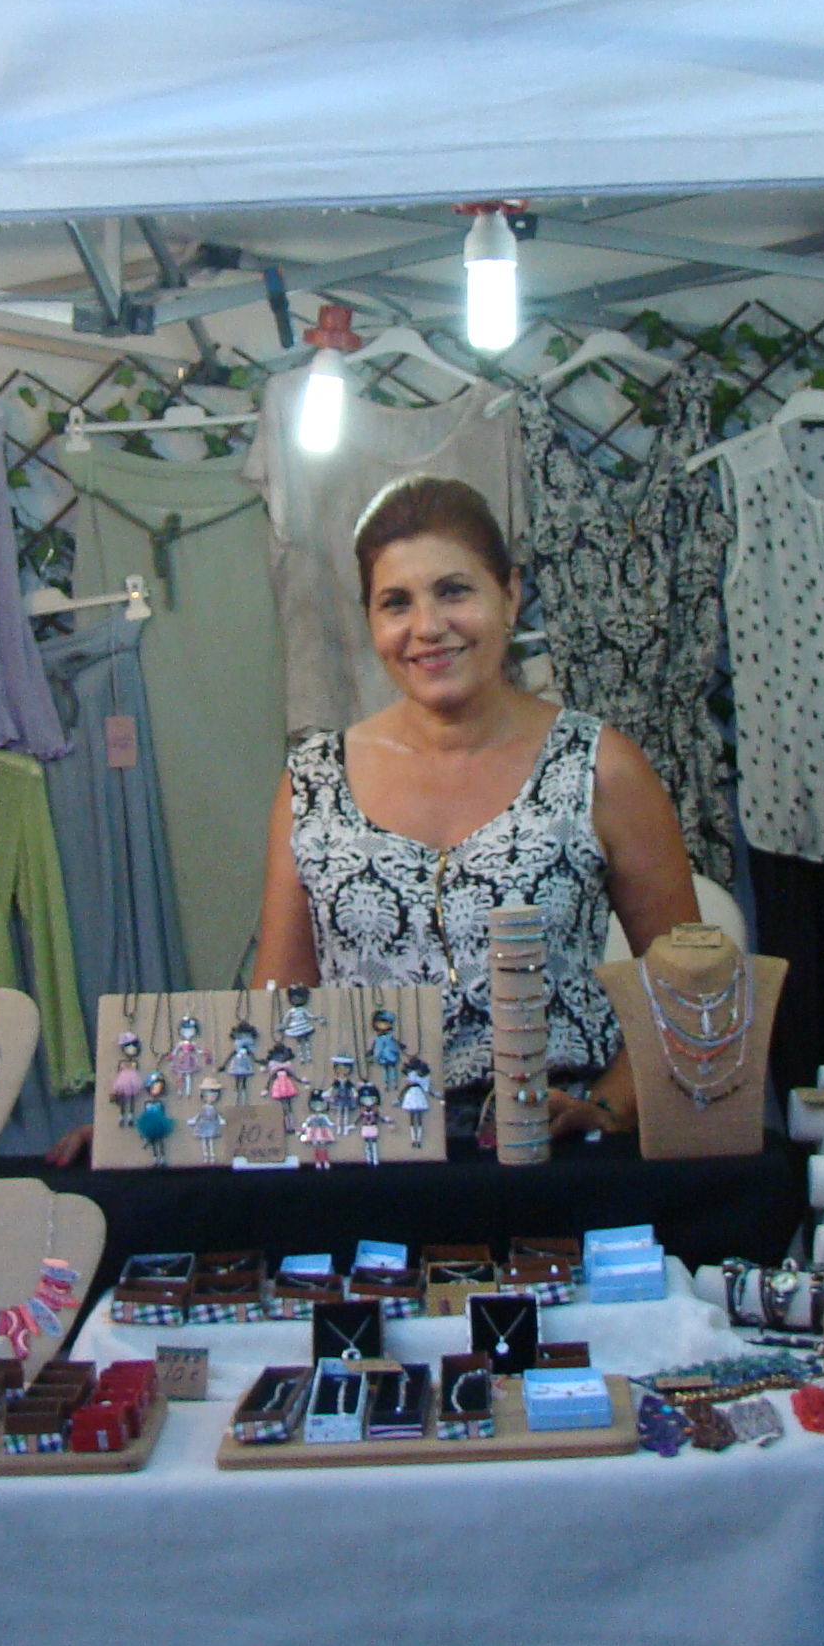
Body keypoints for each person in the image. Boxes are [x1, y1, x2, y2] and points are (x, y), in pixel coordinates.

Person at [255, 475, 696, 1145]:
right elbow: (278, 1009)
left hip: (560, 1162)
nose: (427, 627)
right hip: (369, 1163)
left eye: (454, 591)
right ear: (370, 620)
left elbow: (688, 986)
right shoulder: (313, 783)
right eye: (396, 603)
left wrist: (607, 1111)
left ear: (510, 595)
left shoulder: (598, 766)